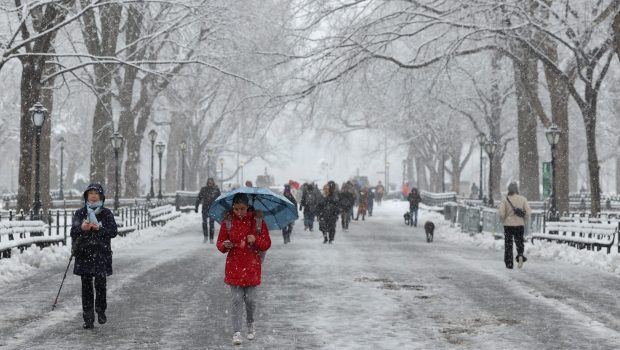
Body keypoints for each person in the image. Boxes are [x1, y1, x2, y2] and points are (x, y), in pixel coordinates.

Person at [216, 193, 271, 345]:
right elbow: (220, 243)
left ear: (248, 208)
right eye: (236, 209)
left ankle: (250, 323)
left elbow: (266, 244)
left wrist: (256, 239)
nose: (239, 212)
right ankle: (237, 332)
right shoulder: (228, 221)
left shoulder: (257, 222)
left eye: (242, 209)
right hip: (234, 266)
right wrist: (224, 245)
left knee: (251, 300)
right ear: (233, 208)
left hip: (252, 266)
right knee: (236, 299)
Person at [70, 184, 118, 329]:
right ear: (86, 196)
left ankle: (101, 310)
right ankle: (88, 317)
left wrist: (100, 228)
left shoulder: (106, 213)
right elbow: (73, 232)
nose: (93, 195)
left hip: (101, 254)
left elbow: (113, 232)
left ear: (101, 196)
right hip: (84, 254)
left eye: (96, 193)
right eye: (90, 193)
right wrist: (81, 228)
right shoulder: (80, 213)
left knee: (101, 285)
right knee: (86, 287)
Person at [498, 182, 531, 269]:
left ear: (509, 190)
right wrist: (525, 220)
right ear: (517, 189)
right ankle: (520, 255)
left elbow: (501, 213)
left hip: (508, 225)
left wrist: (503, 220)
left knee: (508, 244)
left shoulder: (505, 200)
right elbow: (528, 212)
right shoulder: (523, 199)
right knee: (519, 242)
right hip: (519, 225)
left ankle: (509, 263)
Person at [195, 178, 221, 243]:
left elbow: (220, 199)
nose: (210, 183)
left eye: (211, 182)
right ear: (207, 182)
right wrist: (196, 207)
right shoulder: (204, 189)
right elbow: (199, 198)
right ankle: (205, 236)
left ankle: (211, 238)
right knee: (204, 222)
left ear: (213, 182)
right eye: (209, 182)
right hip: (205, 208)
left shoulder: (216, 189)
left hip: (212, 209)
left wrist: (220, 208)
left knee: (211, 224)